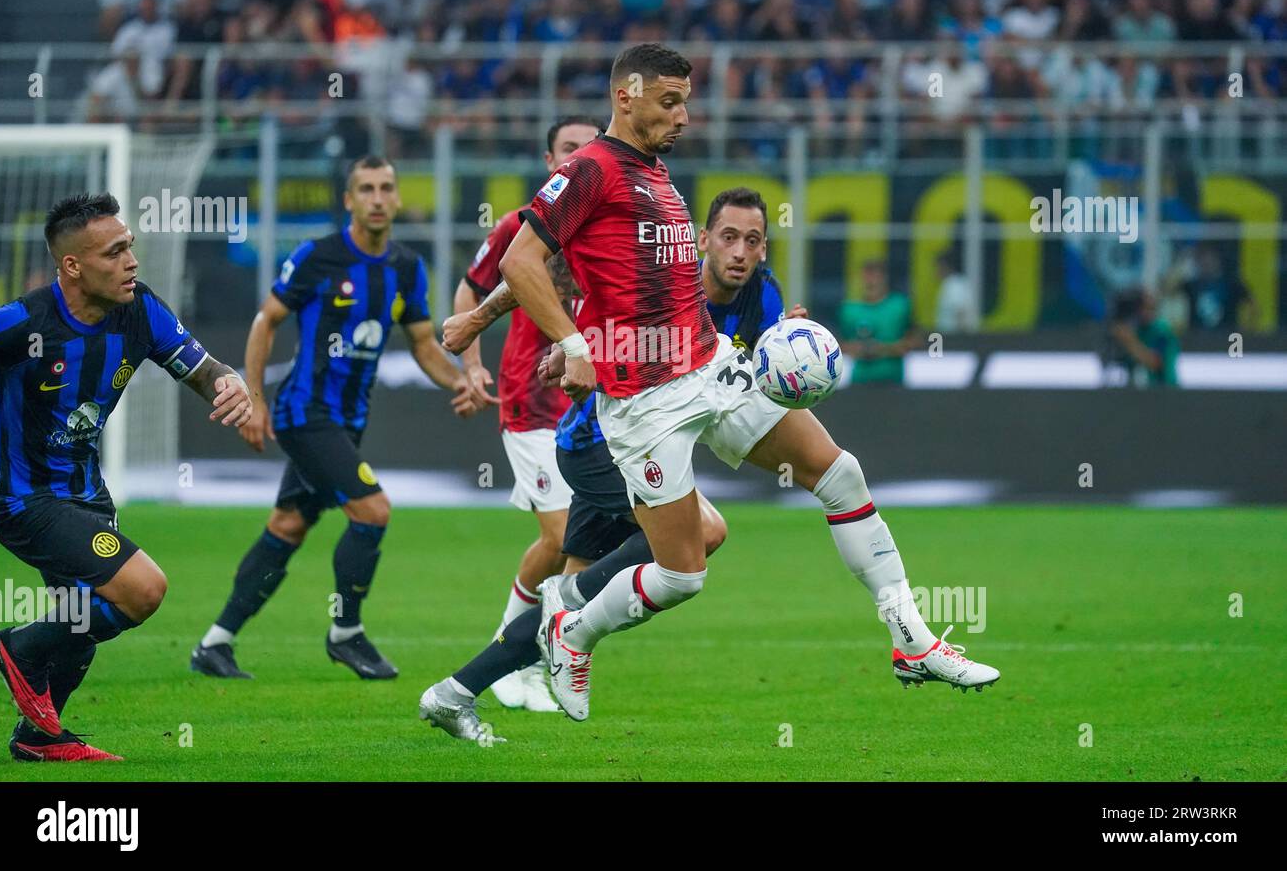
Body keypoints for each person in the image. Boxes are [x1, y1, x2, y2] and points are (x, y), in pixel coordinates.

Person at [497, 43, 1000, 721]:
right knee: (682, 575)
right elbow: (519, 260)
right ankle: (572, 631)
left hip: (710, 369)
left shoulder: (657, 175)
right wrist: (570, 341)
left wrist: (769, 342)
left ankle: (911, 640)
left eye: (687, 101)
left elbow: (654, 292)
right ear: (627, 95)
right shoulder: (591, 171)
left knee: (840, 472)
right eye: (670, 101)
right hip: (644, 404)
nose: (684, 115)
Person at [418, 184, 799, 740]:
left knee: (581, 594)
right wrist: (520, 331)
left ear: (764, 249)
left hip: (643, 450)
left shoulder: (763, 299)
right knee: (704, 534)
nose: (740, 251)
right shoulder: (667, 279)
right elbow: (566, 283)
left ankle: (451, 694)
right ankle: (562, 609)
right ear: (701, 242)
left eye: (753, 240)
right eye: (729, 238)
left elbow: (751, 393)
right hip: (597, 444)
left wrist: (788, 359)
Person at [0, 192, 254, 761]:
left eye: (129, 245)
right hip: (24, 498)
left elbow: (203, 369)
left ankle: (40, 739)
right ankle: (18, 649)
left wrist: (232, 383)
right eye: (114, 252)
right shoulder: (21, 323)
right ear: (73, 267)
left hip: (87, 495)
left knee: (82, 621)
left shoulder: (141, 310)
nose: (131, 260)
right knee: (142, 589)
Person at [190, 156, 475, 681]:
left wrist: (458, 379)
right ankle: (345, 632)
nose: (376, 197)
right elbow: (265, 321)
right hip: (306, 414)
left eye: (386, 187)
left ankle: (216, 642)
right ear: (349, 200)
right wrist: (254, 397)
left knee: (289, 525)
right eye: (365, 188)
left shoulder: (407, 267)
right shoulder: (318, 257)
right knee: (373, 511)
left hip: (348, 421)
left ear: (395, 196)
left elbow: (421, 344)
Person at [450, 114, 603, 712]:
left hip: (593, 403)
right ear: (549, 162)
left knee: (571, 541)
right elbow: (469, 290)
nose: (579, 156)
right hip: (530, 400)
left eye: (589, 148)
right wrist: (473, 367)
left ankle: (518, 651)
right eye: (569, 149)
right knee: (564, 535)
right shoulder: (522, 225)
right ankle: (516, 659)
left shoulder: (607, 228)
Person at [839, 259, 922, 384]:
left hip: (893, 380)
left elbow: (916, 340)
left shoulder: (900, 305)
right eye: (866, 276)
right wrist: (858, 349)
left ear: (884, 279)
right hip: (859, 381)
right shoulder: (849, 310)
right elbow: (838, 344)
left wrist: (884, 349)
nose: (870, 281)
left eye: (875, 276)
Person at [1107, 288, 1179, 387]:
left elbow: (1155, 362)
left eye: (1147, 308)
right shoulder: (1138, 330)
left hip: (1165, 389)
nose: (1143, 312)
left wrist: (1129, 341)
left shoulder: (1162, 330)